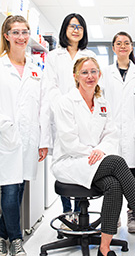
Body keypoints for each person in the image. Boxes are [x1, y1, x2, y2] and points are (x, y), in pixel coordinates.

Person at [51, 56, 135, 256]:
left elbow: (111, 134)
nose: (90, 76)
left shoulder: (102, 103)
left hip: (95, 160)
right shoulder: (65, 102)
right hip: (71, 162)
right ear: (75, 76)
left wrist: (100, 150)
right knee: (118, 162)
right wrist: (95, 152)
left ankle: (104, 249)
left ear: (99, 74)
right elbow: (69, 141)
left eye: (94, 71)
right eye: (84, 72)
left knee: (114, 185)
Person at [0, 15, 50, 256]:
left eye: (25, 32)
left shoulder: (36, 70)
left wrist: (43, 141)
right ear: (6, 36)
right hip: (3, 138)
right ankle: (16, 240)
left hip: (28, 140)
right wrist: (5, 125)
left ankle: (0, 237)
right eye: (16, 32)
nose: (21, 37)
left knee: (18, 190)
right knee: (9, 190)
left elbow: (42, 107)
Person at [43, 13, 96, 222]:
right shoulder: (54, 56)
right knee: (65, 163)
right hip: (62, 115)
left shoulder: (88, 54)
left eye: (80, 26)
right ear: (65, 29)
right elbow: (51, 86)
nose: (76, 29)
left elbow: (93, 83)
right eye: (72, 26)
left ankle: (80, 210)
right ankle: (67, 213)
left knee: (82, 162)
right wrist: (63, 109)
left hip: (84, 117)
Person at [100, 32, 135, 233]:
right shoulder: (105, 73)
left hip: (133, 133)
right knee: (112, 177)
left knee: (133, 174)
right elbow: (100, 101)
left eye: (126, 43)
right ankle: (114, 214)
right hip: (111, 133)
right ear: (113, 48)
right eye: (118, 43)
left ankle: (132, 214)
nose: (122, 46)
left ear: (131, 47)